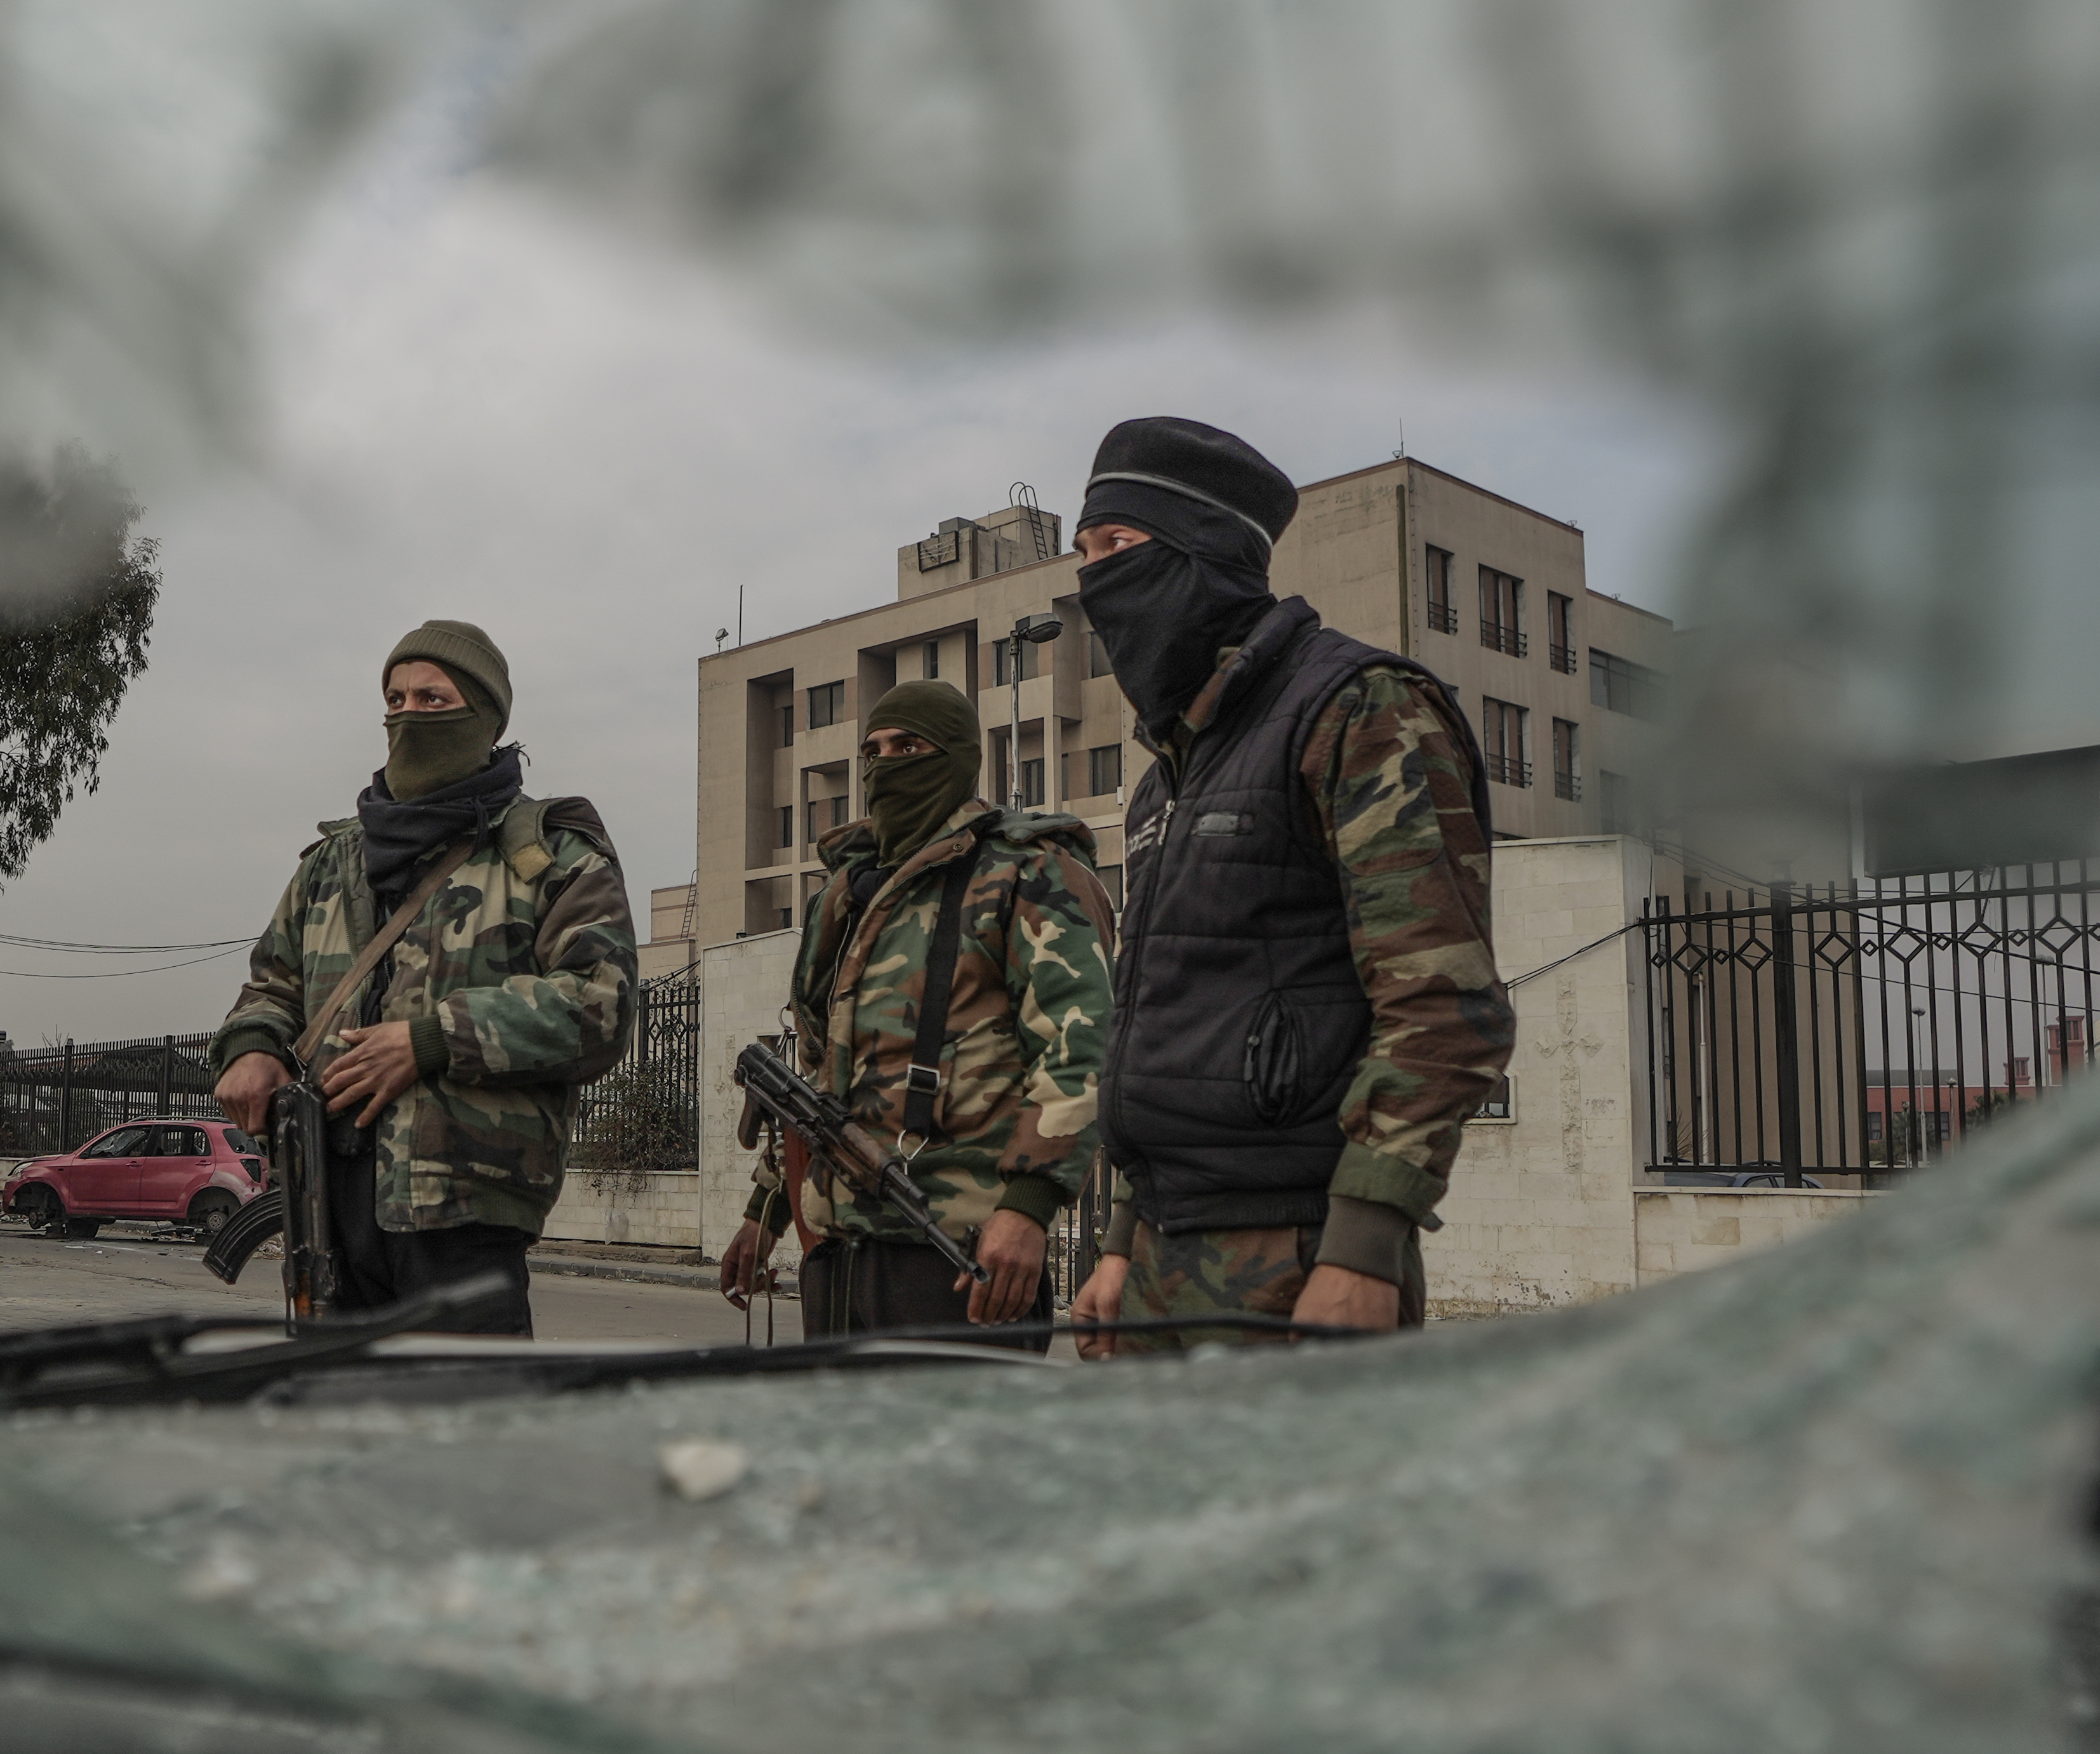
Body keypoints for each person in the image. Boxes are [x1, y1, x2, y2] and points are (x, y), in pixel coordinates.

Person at [1066, 416, 1512, 1344]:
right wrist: (1119, 1240)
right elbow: (1158, 1021)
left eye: (1118, 546)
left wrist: (1363, 1246)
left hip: (1295, 1256)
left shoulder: (1359, 709)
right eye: (1084, 553)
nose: (1094, 580)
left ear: (1203, 553)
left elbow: (1442, 1006)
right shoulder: (1165, 780)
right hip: (1157, 1256)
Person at [209, 620, 637, 1336]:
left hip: (462, 1207)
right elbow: (271, 984)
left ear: (485, 716)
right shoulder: (331, 862)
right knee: (343, 1427)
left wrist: (430, 1039)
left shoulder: (549, 855)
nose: (409, 715)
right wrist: (251, 1046)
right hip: (326, 1199)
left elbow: (601, 1004)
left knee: (466, 1434)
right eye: (395, 698)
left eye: (434, 700)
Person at [717, 681, 1114, 1340]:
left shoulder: (1027, 875)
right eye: (871, 750)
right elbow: (819, 1084)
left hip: (961, 1256)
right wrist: (765, 1212)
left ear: (956, 758)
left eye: (907, 746)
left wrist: (1028, 1208)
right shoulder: (849, 896)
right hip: (841, 1255)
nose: (883, 765)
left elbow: (1080, 1051)